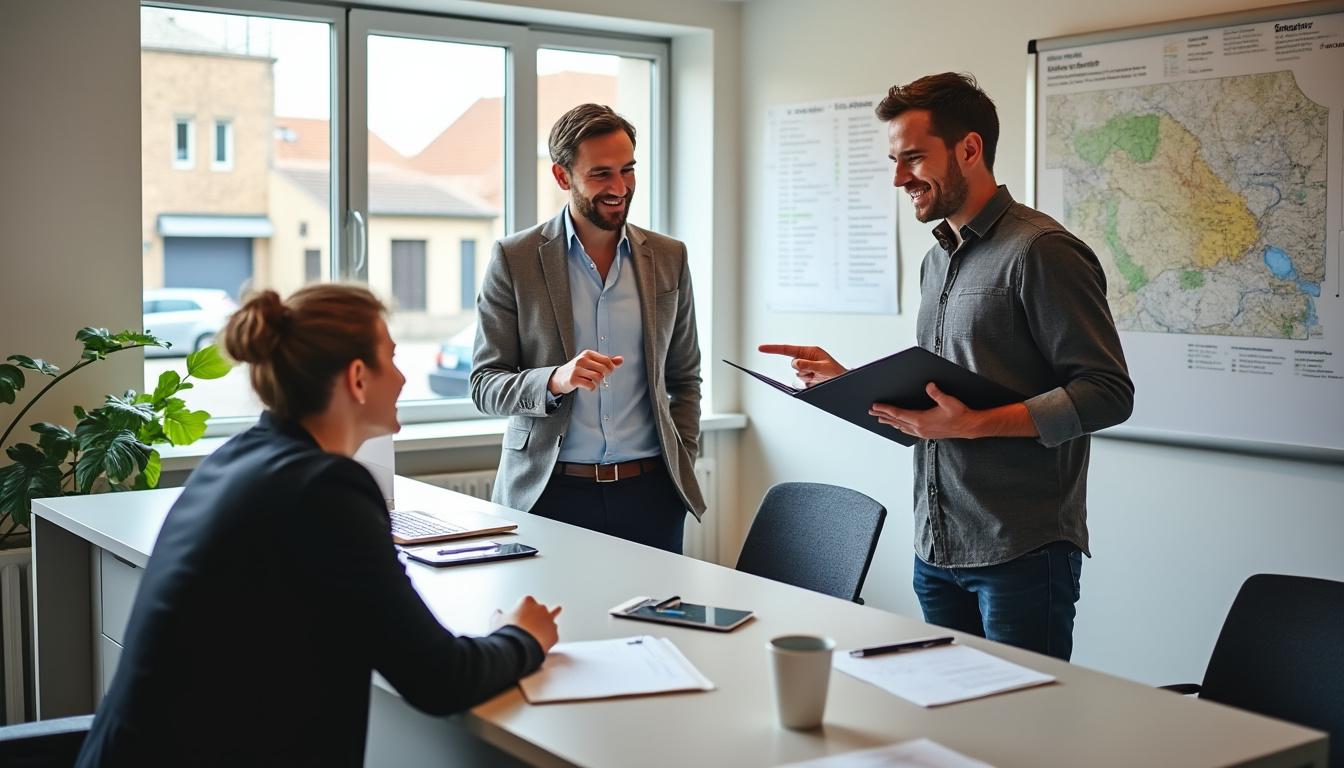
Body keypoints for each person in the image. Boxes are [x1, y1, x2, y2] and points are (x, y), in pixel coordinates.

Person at [77, 285, 561, 766]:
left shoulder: (240, 455)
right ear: (356, 378)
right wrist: (523, 636)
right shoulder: (326, 489)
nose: (401, 377)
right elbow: (439, 679)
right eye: (390, 359)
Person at [762, 73, 1133, 661]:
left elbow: (1108, 393)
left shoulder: (1043, 251)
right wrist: (848, 383)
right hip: (936, 548)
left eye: (913, 158)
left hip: (1022, 552)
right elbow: (941, 402)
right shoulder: (938, 260)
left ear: (969, 148)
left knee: (1017, 735)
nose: (898, 178)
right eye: (894, 159)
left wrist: (975, 425)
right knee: (953, 725)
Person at [471, 103, 704, 554]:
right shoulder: (514, 259)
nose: (620, 188)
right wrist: (555, 379)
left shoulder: (669, 257)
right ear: (563, 177)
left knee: (660, 624)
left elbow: (685, 378)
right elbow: (484, 385)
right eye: (601, 174)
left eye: (628, 170)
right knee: (551, 624)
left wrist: (682, 459)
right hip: (549, 494)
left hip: (652, 496)